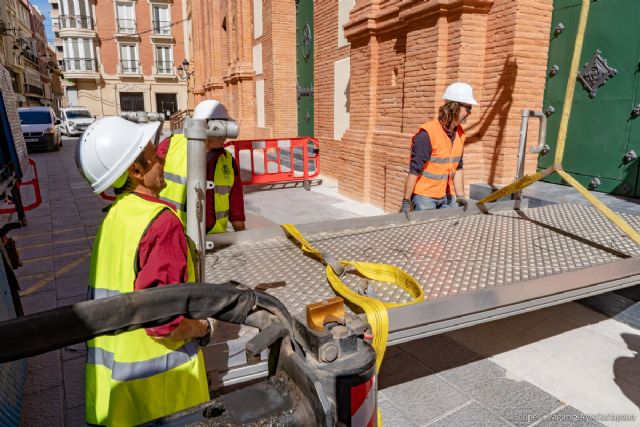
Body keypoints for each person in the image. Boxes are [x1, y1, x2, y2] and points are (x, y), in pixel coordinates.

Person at [75, 116, 213, 426]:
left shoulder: (116, 216)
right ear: (136, 171)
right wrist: (204, 328)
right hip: (158, 396)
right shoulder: (162, 224)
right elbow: (166, 324)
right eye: (153, 154)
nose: (162, 157)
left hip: (117, 394)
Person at [158, 99, 246, 233]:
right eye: (222, 128)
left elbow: (236, 211)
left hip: (215, 240)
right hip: (174, 236)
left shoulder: (227, 161)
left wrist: (243, 239)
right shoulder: (169, 146)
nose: (225, 136)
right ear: (205, 125)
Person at [402, 82, 478, 214]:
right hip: (424, 197)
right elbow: (414, 170)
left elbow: (458, 167)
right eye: (468, 108)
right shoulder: (427, 134)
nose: (470, 113)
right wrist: (406, 201)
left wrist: (460, 196)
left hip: (446, 196)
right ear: (455, 106)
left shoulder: (460, 133)